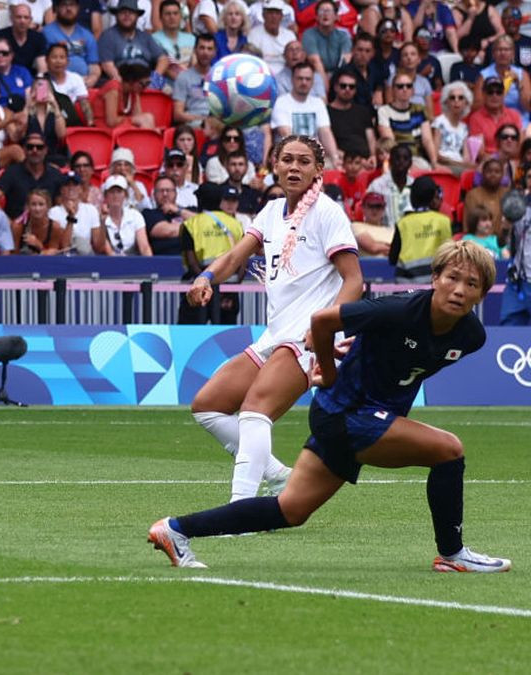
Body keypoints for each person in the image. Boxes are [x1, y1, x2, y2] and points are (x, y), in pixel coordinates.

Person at [150, 241, 510, 574]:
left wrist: (361, 347)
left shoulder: (471, 337)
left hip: (353, 416)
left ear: (483, 292)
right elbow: (322, 322)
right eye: (452, 278)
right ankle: (452, 554)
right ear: (435, 278)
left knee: (289, 511)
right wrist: (328, 367)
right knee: (449, 450)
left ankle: (175, 529)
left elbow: (400, 357)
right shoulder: (399, 309)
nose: (460, 290)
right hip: (347, 413)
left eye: (473, 284)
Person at [185, 135, 363, 503]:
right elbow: (235, 257)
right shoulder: (270, 212)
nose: (294, 167)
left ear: (318, 170)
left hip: (307, 336)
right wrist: (206, 278)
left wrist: (325, 328)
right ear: (275, 166)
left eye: (303, 161)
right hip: (275, 335)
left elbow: (354, 280)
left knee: (254, 410)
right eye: (287, 160)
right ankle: (278, 476)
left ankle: (240, 509)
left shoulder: (328, 213)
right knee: (207, 405)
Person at [179, 182, 245, 324]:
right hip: (228, 290)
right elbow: (243, 259)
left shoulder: (191, 224)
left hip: (199, 289)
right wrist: (232, 289)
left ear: (200, 199)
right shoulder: (235, 224)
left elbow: (192, 262)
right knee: (225, 339)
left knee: (191, 337)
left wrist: (203, 284)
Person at [271, 62, 341, 169]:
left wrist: (335, 158)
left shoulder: (318, 103)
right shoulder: (281, 102)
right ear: (292, 80)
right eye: (300, 78)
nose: (304, 82)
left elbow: (325, 132)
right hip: (289, 156)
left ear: (313, 81)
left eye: (308, 79)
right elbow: (287, 135)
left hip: (314, 156)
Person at [389, 175, 453, 280]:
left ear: (412, 197)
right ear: (433, 197)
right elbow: (450, 256)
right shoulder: (444, 221)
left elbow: (392, 259)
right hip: (436, 283)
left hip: (407, 285)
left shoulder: (403, 223)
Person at [97, 0, 165, 84]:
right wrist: (126, 84)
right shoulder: (107, 36)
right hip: (120, 83)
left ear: (137, 16)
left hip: (147, 81)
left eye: (131, 12)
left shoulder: (145, 37)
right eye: (123, 12)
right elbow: (107, 65)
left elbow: (163, 59)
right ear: (116, 15)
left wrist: (154, 79)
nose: (127, 15)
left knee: (169, 91)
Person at [93, 175, 151, 256]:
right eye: (112, 192)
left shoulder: (135, 216)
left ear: (125, 195)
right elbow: (101, 248)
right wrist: (102, 222)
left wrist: (150, 265)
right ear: (106, 195)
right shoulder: (98, 217)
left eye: (119, 192)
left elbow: (144, 247)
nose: (115, 195)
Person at [430, 81, 475, 175]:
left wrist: (470, 165)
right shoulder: (439, 122)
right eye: (452, 98)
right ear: (446, 102)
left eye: (461, 98)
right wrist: (459, 164)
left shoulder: (464, 127)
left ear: (466, 103)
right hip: (445, 165)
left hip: (460, 165)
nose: (456, 101)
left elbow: (466, 157)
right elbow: (436, 154)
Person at [172, 33, 215, 129]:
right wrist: (202, 119)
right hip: (193, 125)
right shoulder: (183, 77)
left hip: (215, 124)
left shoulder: (220, 77)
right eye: (202, 48)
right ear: (195, 50)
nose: (205, 52)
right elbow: (177, 114)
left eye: (209, 49)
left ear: (214, 52)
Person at [11, 187, 71, 254]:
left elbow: (53, 255)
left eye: (41, 204)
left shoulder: (54, 227)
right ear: (28, 207)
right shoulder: (18, 226)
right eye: (33, 204)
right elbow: (13, 255)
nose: (37, 209)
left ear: (48, 207)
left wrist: (39, 245)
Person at [501, 193, 531, 325]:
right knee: (508, 331)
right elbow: (501, 242)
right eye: (529, 177)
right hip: (518, 283)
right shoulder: (517, 204)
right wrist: (506, 226)